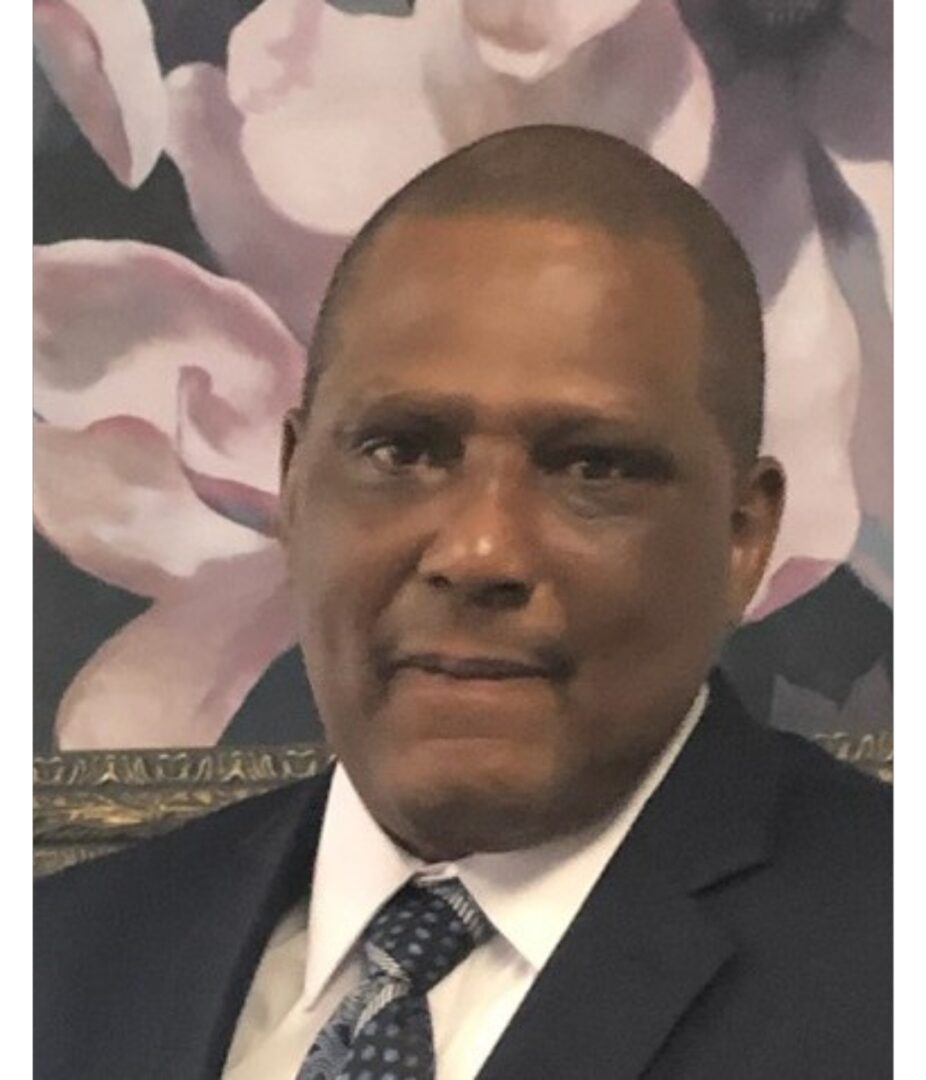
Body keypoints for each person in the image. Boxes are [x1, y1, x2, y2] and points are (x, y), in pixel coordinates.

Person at [34, 126, 891, 1080]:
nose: (480, 549)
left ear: (743, 535)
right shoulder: (59, 965)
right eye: (401, 451)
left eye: (591, 467)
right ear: (292, 486)